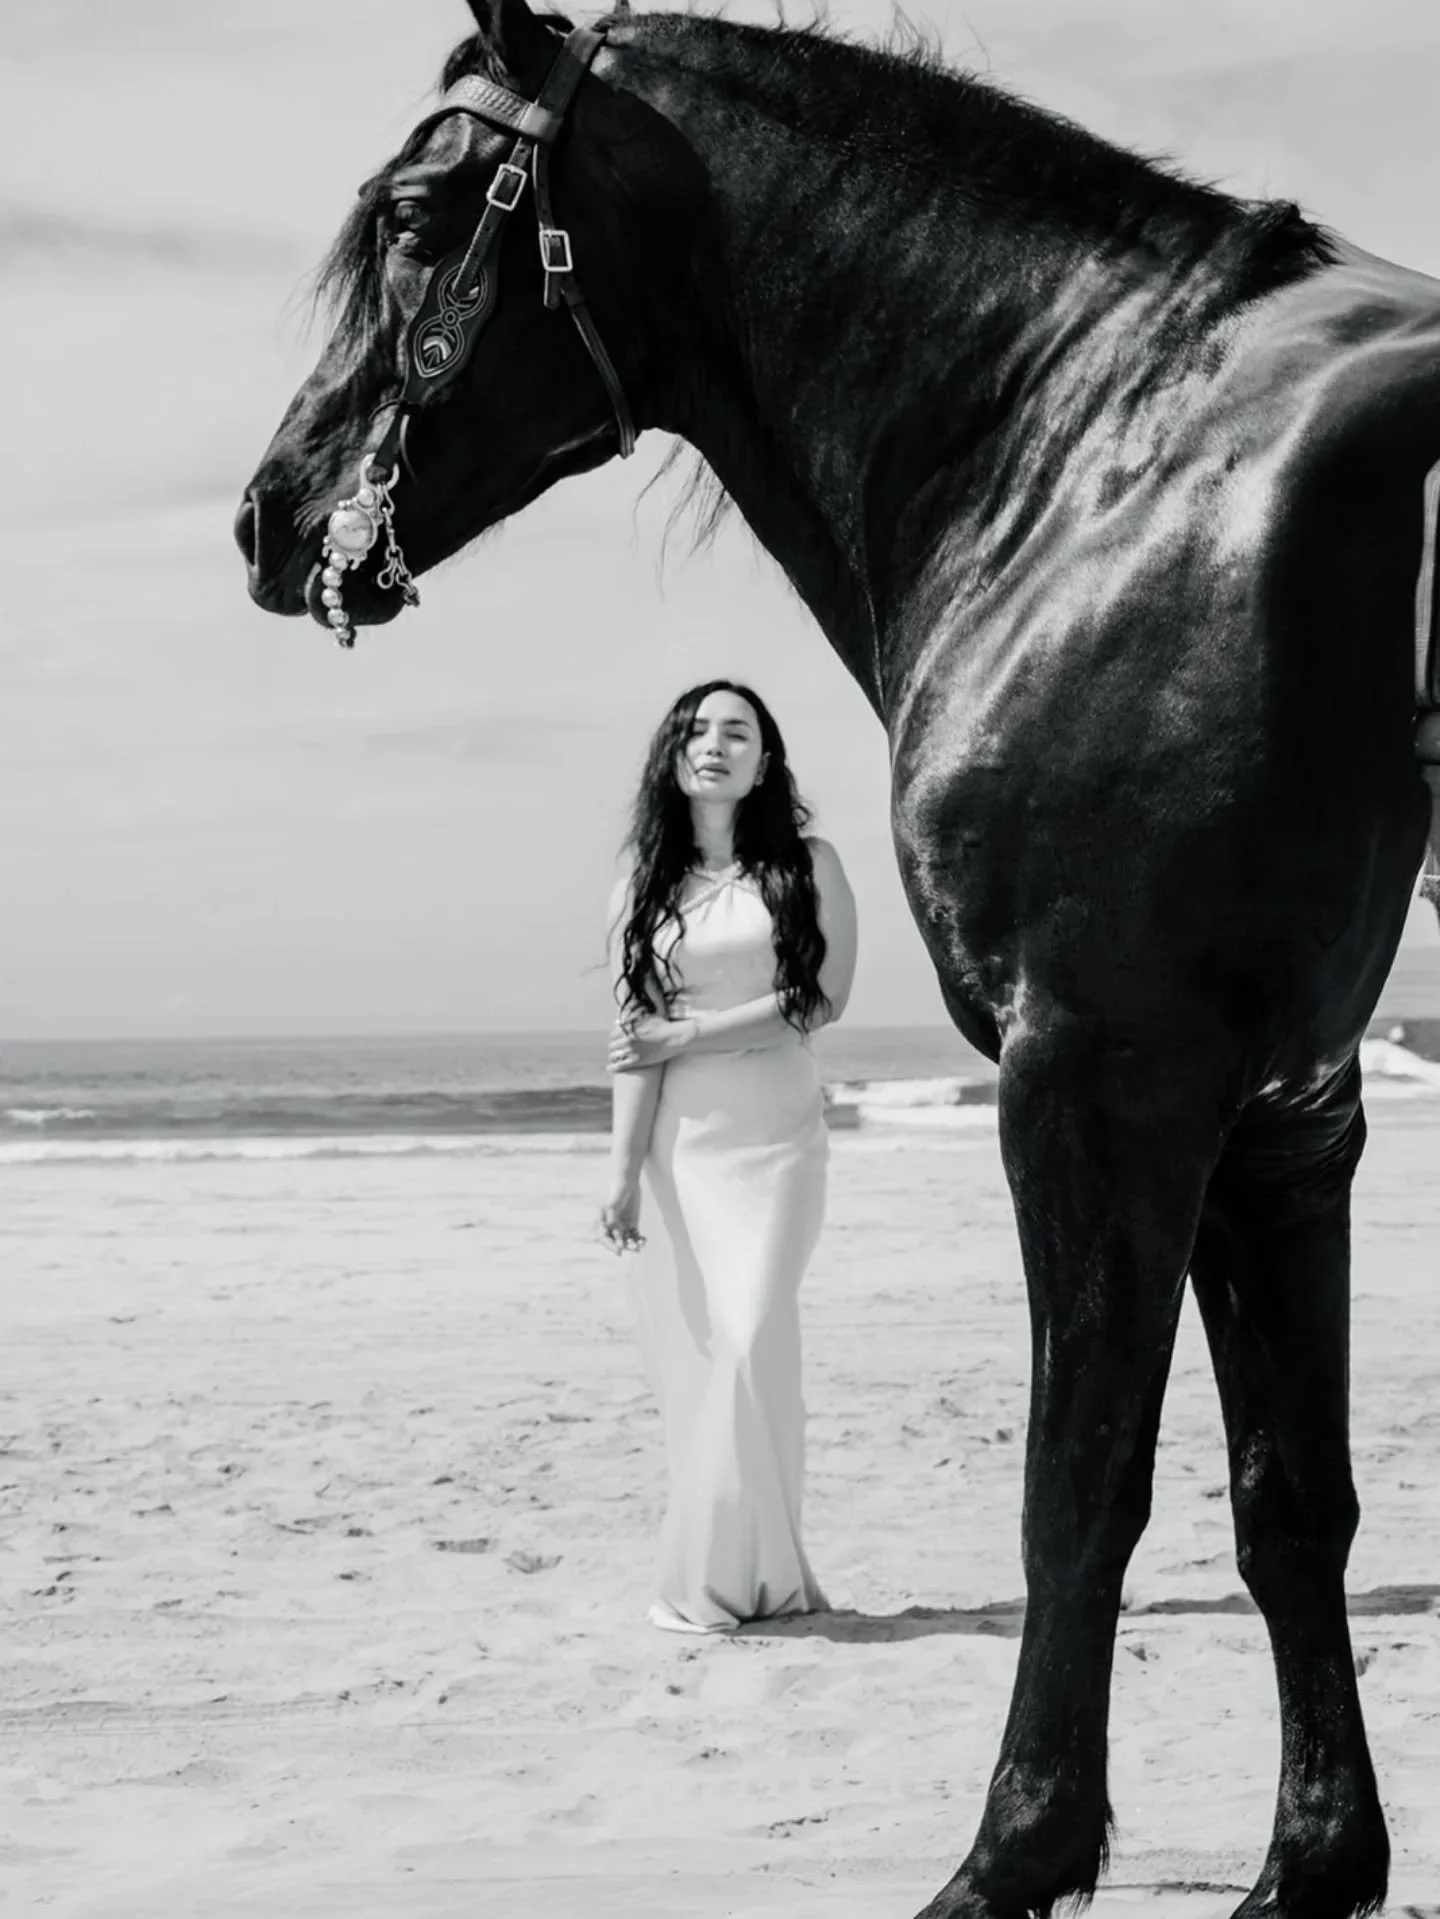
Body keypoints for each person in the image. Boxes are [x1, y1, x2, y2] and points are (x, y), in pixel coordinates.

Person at [600, 679, 858, 1634]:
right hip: (684, 1153)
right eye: (697, 729)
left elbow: (820, 999)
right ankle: (747, 1576)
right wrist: (623, 1171)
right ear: (674, 756)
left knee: (753, 1336)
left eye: (736, 730)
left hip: (779, 1142)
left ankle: (732, 1575)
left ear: (764, 759)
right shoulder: (643, 880)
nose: (715, 743)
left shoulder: (810, 864)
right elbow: (633, 1042)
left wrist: (690, 1033)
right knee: (715, 1360)